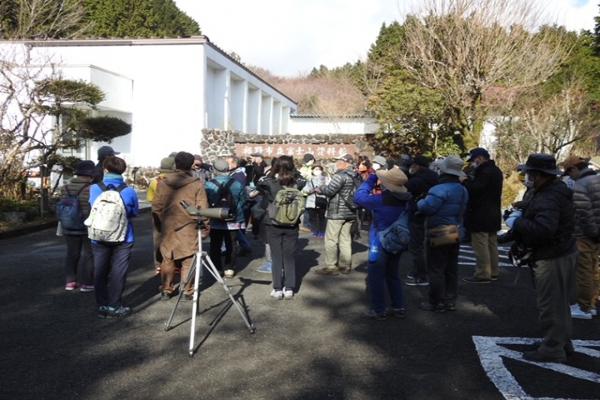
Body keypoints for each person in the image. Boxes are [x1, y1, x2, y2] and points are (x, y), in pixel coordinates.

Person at [507, 154, 576, 363]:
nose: (525, 176)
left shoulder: (549, 195)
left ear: (538, 175)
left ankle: (553, 348)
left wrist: (516, 223)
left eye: (528, 173)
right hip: (561, 251)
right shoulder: (551, 190)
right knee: (559, 302)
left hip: (551, 255)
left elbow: (544, 229)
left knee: (550, 303)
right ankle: (561, 340)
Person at [355, 167, 412, 319]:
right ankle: (398, 306)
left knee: (376, 276)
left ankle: (379, 309)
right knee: (393, 274)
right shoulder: (406, 200)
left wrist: (372, 179)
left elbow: (359, 197)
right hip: (398, 241)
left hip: (379, 241)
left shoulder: (379, 200)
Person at [152, 152, 209, 299]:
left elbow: (156, 207)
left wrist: (161, 224)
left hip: (168, 226)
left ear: (175, 164)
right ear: (191, 165)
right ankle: (187, 290)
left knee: (168, 258)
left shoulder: (162, 182)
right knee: (188, 259)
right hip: (189, 226)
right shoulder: (196, 184)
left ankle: (166, 289)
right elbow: (202, 208)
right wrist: (205, 227)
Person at [89, 156, 139, 318]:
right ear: (123, 171)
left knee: (100, 271)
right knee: (119, 271)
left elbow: (92, 208)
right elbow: (133, 213)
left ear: (105, 170)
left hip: (99, 236)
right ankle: (114, 305)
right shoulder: (129, 191)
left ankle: (101, 306)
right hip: (123, 236)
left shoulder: (94, 188)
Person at [417, 156, 469, 313]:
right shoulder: (462, 189)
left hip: (439, 231)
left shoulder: (438, 189)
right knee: (451, 268)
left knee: (436, 268)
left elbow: (427, 208)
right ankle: (450, 300)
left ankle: (436, 302)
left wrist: (420, 202)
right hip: (456, 229)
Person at [561, 155, 600, 320]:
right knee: (595, 270)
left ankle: (584, 307)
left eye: (569, 172)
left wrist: (592, 233)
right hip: (597, 234)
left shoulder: (581, 185)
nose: (569, 176)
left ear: (575, 168)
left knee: (583, 271)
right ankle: (592, 303)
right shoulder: (597, 180)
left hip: (586, 234)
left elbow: (584, 213)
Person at [257, 156, 302, 299]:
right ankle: (289, 288)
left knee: (276, 257)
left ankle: (277, 288)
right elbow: (302, 179)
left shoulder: (269, 182)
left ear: (275, 166)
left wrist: (271, 172)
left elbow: (258, 183)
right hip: (292, 222)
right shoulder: (298, 182)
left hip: (272, 222)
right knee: (289, 256)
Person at [463, 147, 504, 284]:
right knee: (492, 244)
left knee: (480, 245)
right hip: (493, 212)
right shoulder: (496, 170)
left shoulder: (484, 172)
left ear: (479, 158)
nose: (473, 163)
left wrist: (465, 181)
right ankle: (494, 271)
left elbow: (476, 189)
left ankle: (482, 273)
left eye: (474, 160)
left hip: (480, 213)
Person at [315, 154, 359, 275]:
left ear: (345, 162)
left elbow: (330, 191)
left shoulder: (340, 176)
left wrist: (321, 188)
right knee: (345, 239)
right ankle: (346, 265)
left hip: (337, 212)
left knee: (331, 239)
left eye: (339, 161)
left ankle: (331, 266)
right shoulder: (356, 176)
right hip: (351, 211)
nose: (337, 163)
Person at [205, 158, 248, 278]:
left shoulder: (208, 184)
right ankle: (229, 268)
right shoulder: (237, 183)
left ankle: (217, 268)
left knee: (215, 244)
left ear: (215, 170)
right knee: (231, 244)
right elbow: (244, 200)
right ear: (227, 169)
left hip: (215, 217)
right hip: (233, 218)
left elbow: (205, 202)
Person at [59, 160, 96, 292]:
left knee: (71, 254)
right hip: (87, 226)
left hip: (68, 225)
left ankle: (70, 282)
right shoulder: (92, 188)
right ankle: (87, 283)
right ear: (90, 174)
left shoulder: (65, 188)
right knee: (88, 254)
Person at [405, 155, 439, 286]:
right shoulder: (440, 180)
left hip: (419, 214)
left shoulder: (418, 179)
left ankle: (420, 274)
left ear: (417, 166)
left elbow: (407, 187)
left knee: (417, 245)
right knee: (439, 249)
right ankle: (437, 276)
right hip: (443, 219)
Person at [148, 156, 175, 274]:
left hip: (158, 213)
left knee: (158, 238)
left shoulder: (155, 181)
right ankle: (173, 263)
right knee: (174, 238)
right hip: (174, 213)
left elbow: (150, 198)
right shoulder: (177, 180)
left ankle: (159, 264)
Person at [302, 164, 329, 238]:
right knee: (312, 217)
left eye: (319, 169)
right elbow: (304, 190)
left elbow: (329, 188)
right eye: (315, 169)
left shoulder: (326, 179)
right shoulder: (309, 179)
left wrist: (321, 190)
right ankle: (315, 230)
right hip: (311, 201)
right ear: (313, 170)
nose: (317, 171)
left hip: (321, 200)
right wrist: (311, 190)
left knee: (321, 217)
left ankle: (322, 231)